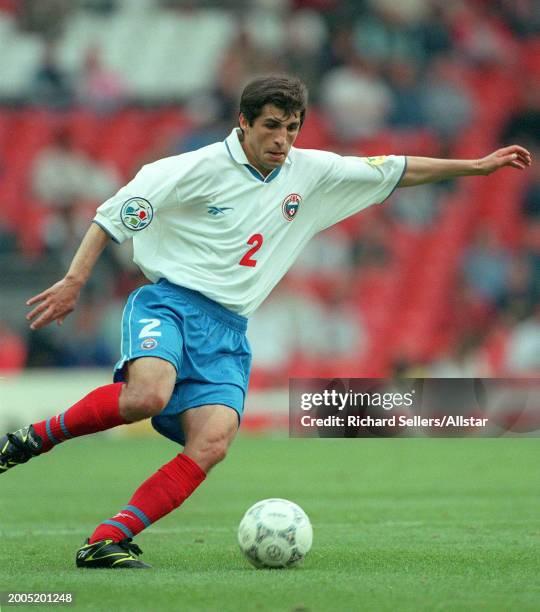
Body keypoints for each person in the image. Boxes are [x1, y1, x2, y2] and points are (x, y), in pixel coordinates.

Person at [0, 75, 531, 569]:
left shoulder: (311, 172)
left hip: (229, 330)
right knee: (147, 396)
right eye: (272, 126)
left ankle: (108, 539)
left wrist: (476, 167)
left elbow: (393, 166)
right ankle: (27, 442)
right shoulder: (189, 169)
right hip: (169, 304)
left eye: (292, 128)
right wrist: (73, 281)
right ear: (245, 123)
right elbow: (110, 217)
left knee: (212, 442)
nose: (283, 139)